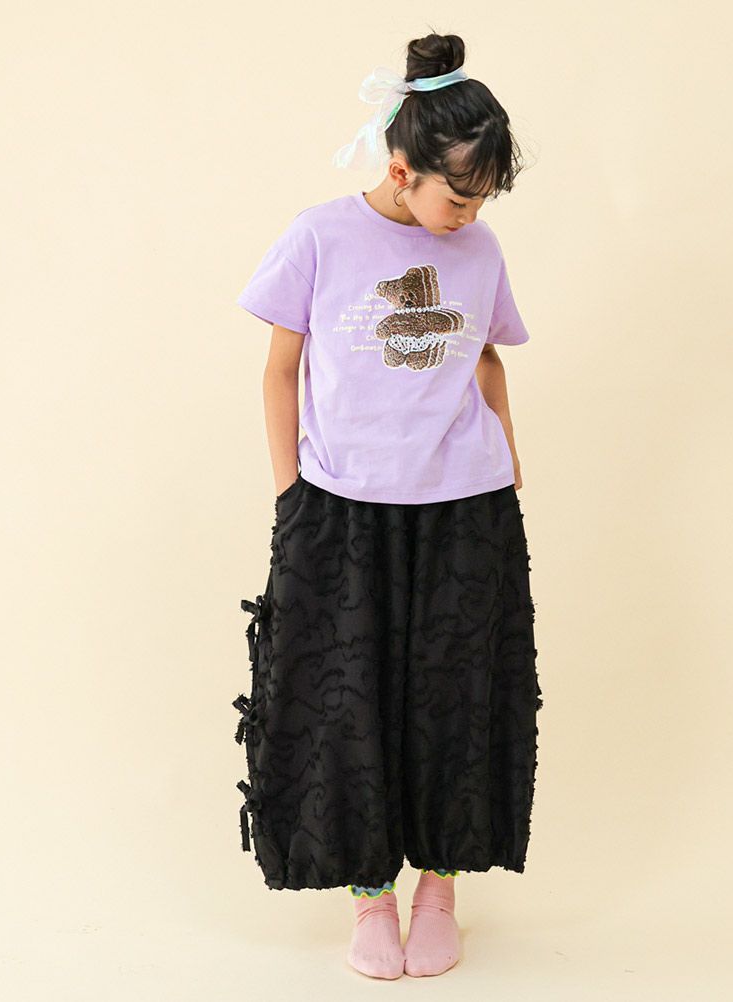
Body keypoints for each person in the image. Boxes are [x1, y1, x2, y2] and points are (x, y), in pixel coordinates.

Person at [232, 30, 543, 980]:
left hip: (465, 508)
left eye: (484, 199)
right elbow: (280, 370)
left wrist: (509, 451)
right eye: (459, 196)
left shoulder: (478, 248)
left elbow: (485, 357)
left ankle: (439, 893)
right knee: (348, 701)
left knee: (456, 698)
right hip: (342, 507)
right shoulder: (320, 237)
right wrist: (290, 492)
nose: (471, 214)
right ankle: (370, 897)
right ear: (402, 170)